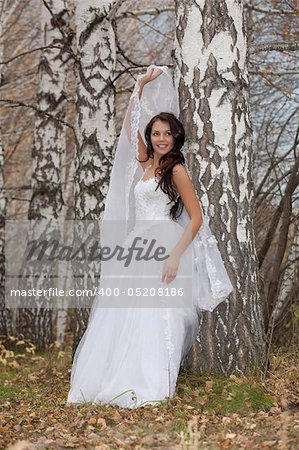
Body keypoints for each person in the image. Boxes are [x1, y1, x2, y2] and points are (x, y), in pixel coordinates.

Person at [67, 66, 233, 408]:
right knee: (124, 312)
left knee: (157, 315)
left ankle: (152, 383)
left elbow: (197, 218)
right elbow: (130, 127)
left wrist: (175, 256)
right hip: (137, 245)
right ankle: (116, 377)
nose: (160, 139)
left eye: (166, 134)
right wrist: (139, 86)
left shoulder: (177, 169)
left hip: (165, 246)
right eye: (156, 133)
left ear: (175, 138)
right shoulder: (144, 163)